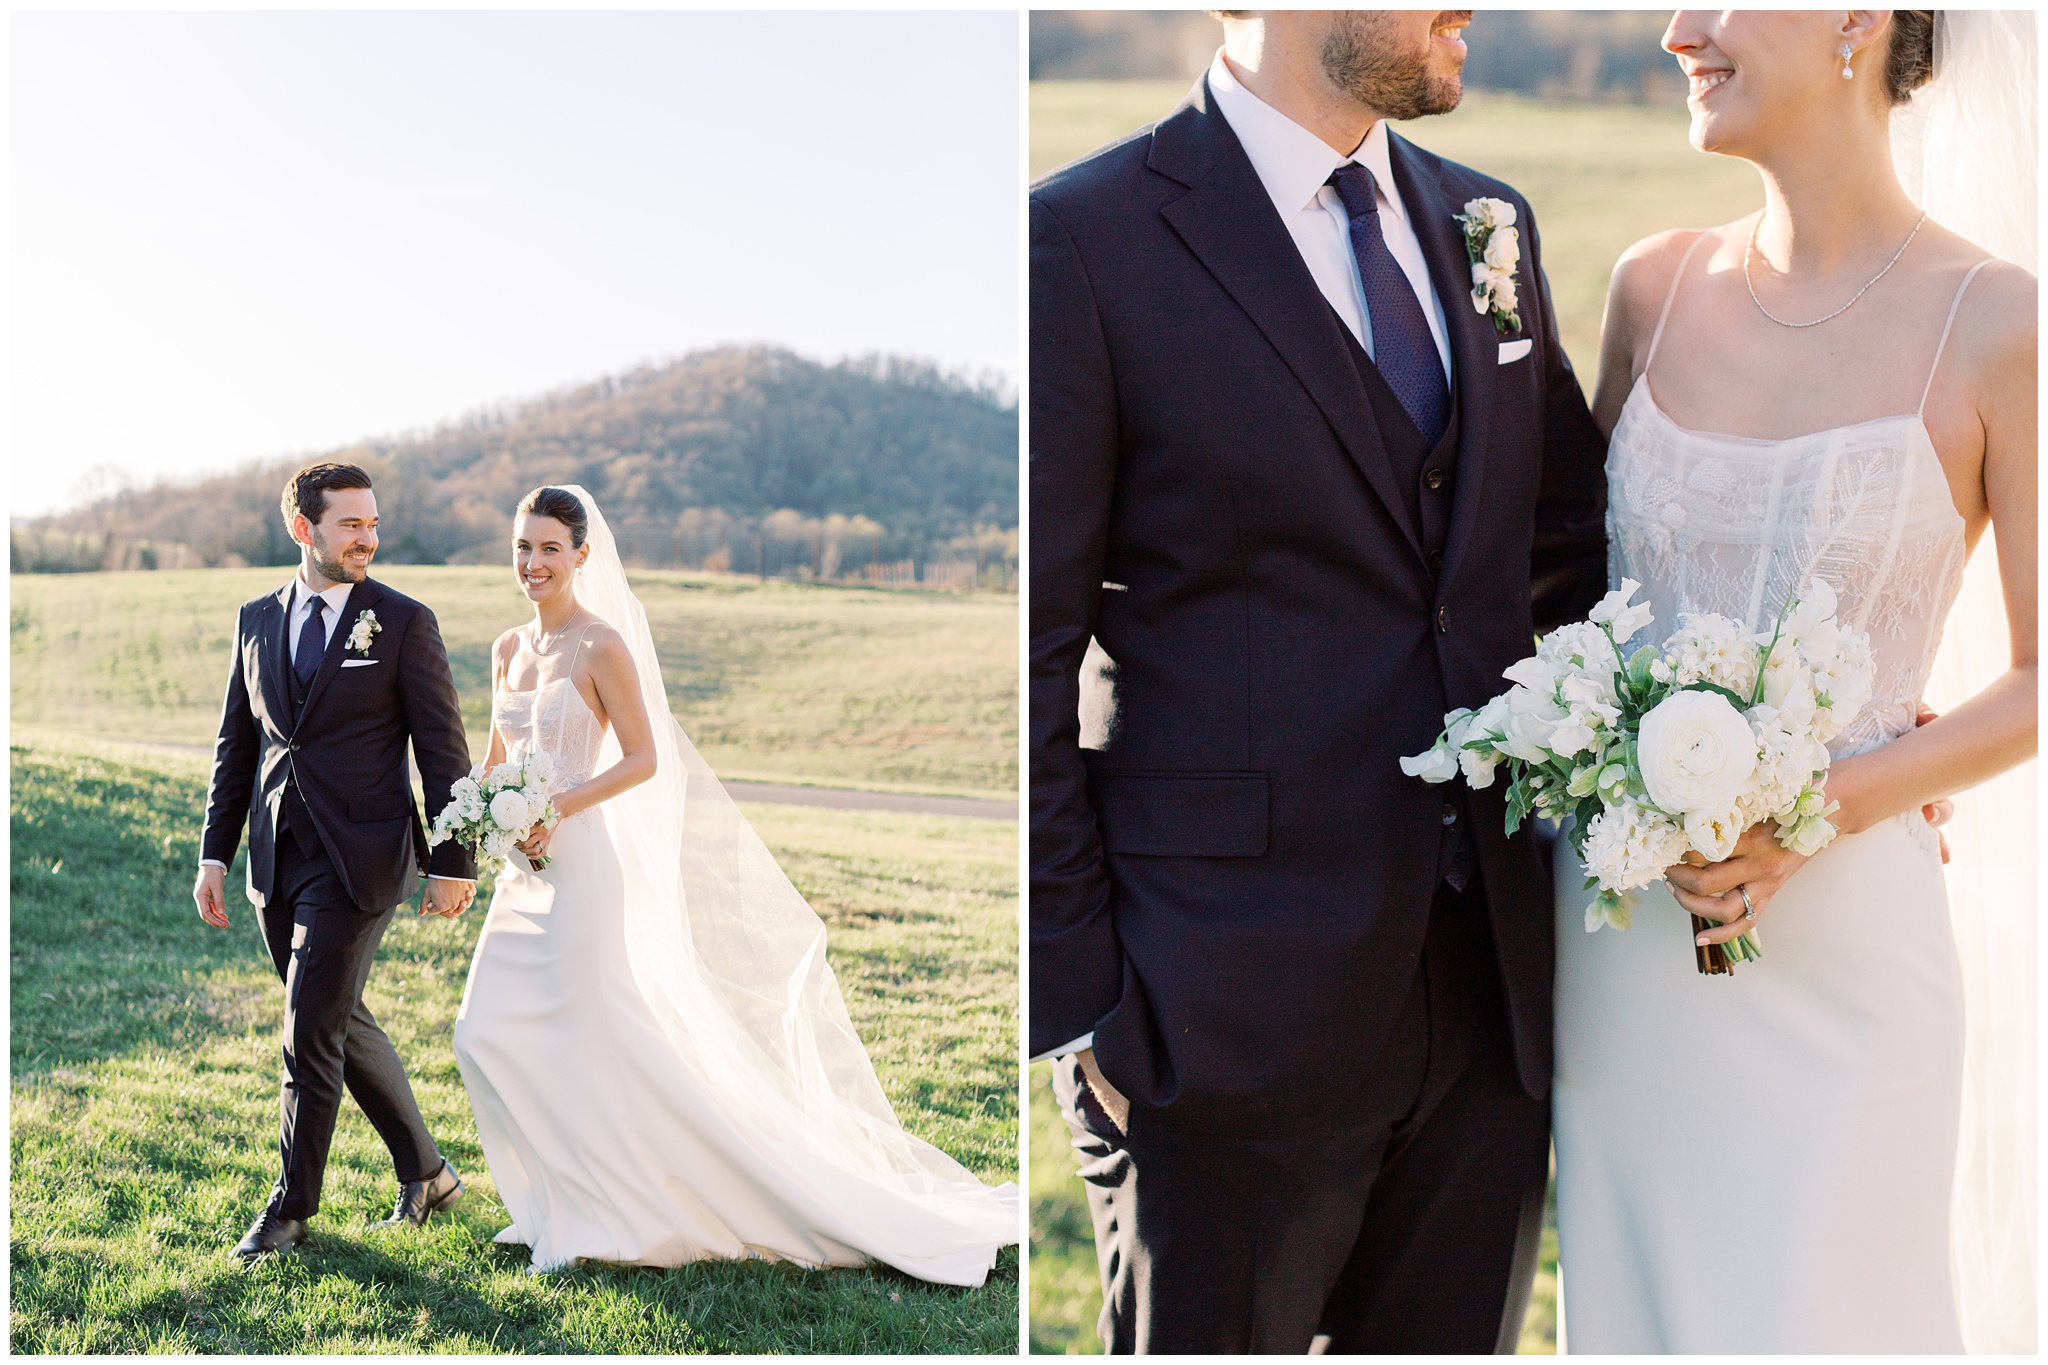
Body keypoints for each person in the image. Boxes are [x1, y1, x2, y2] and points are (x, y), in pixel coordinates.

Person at [1029, 11, 1608, 1351]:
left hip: (1487, 1006)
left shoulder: (1488, 224)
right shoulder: (1085, 239)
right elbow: (1034, 655)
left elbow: (1566, 551)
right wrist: (1093, 1009)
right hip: (1211, 1015)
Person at [1553, 10, 2037, 1352]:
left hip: (1853, 955)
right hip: (1628, 943)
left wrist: (1839, 792)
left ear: (1856, 18)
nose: (1675, 30)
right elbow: (1567, 610)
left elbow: (2040, 679)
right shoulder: (1652, 289)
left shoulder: (1998, 320)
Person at [450, 485, 1018, 1284]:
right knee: (481, 1034)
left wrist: (559, 809)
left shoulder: (600, 645)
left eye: (550, 547)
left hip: (582, 869)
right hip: (524, 876)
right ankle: (558, 1199)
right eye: (522, 546)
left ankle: (606, 1212)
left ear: (582, 555)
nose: (533, 562)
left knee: (594, 1041)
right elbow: (495, 760)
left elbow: (646, 757)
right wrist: (477, 817)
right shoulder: (509, 648)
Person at [194, 461, 478, 1259]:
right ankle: (428, 1172)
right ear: (304, 528)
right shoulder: (255, 618)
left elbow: (442, 751)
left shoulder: (403, 622)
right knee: (337, 1019)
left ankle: (289, 1208)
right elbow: (236, 745)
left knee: (306, 1031)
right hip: (276, 860)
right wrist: (214, 852)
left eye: (373, 523)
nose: (368, 538)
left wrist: (454, 860)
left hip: (362, 860)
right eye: (351, 524)